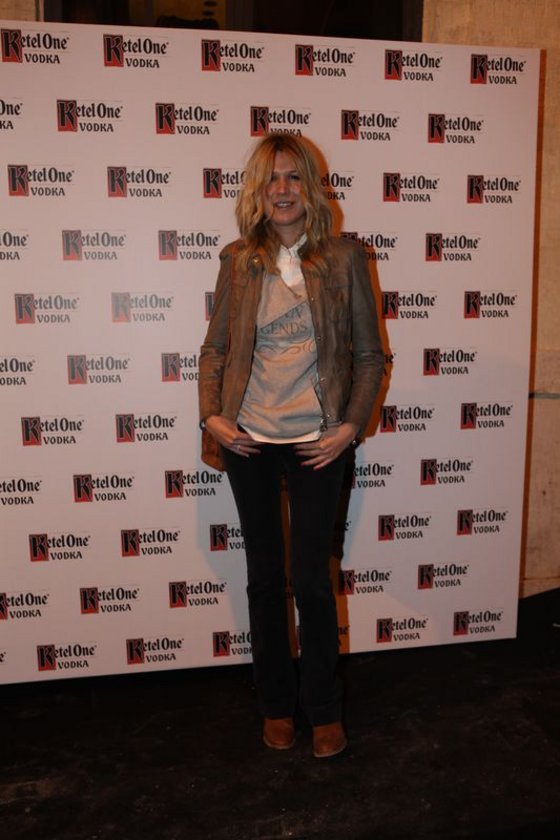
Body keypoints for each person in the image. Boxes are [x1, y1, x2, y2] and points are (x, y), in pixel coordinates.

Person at [198, 134, 384, 758]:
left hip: (318, 442)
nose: (282, 189)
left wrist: (348, 427)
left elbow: (368, 354)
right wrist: (212, 416)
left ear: (312, 187)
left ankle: (324, 708)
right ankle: (275, 704)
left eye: (294, 177)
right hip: (248, 438)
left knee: (311, 579)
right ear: (257, 191)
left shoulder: (345, 258)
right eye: (271, 179)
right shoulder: (237, 260)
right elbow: (215, 348)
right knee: (263, 579)